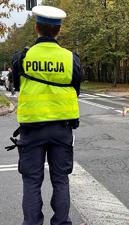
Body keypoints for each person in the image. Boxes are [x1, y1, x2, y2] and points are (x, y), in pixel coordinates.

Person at [10, 5, 85, 225]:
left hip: (32, 128)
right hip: (62, 127)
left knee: (32, 181)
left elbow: (16, 85)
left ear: (36, 28)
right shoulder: (71, 58)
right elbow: (76, 89)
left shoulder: (22, 57)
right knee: (61, 179)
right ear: (58, 30)